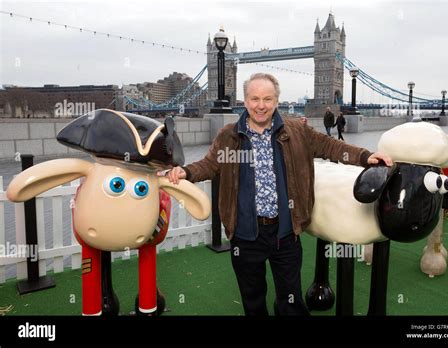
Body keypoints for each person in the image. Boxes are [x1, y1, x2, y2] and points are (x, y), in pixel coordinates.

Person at [164, 73, 393, 316]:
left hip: (285, 232)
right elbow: (209, 165)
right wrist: (185, 172)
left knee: (291, 301)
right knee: (253, 300)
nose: (260, 105)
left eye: (267, 99)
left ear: (276, 101)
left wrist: (365, 156)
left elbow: (330, 146)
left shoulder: (296, 130)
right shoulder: (229, 136)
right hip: (245, 233)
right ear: (245, 101)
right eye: (254, 99)